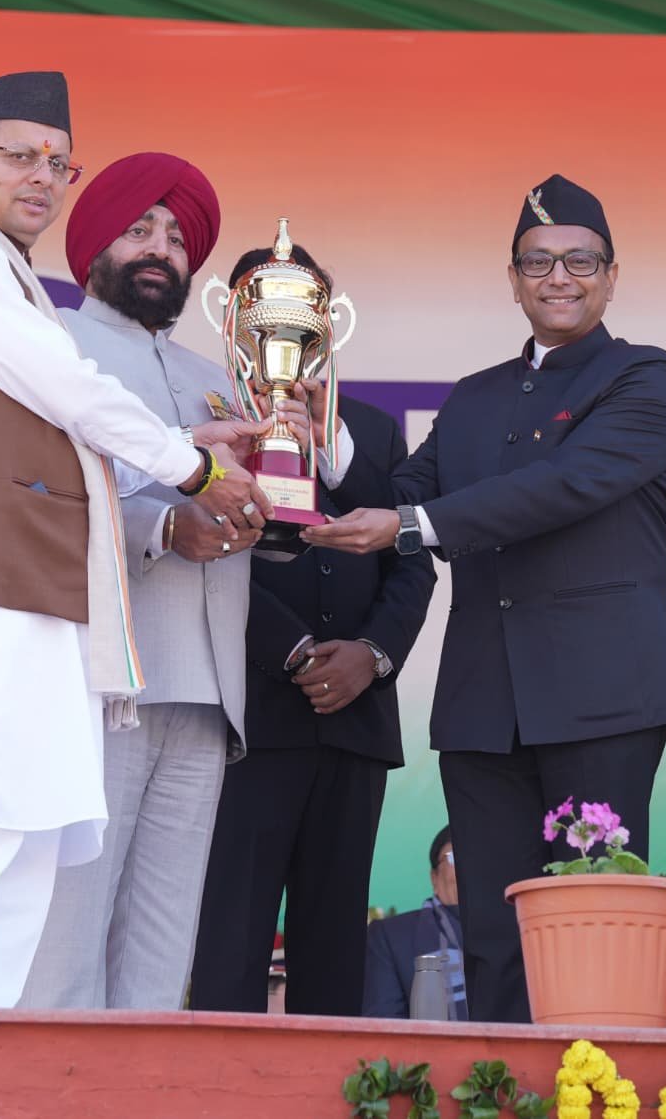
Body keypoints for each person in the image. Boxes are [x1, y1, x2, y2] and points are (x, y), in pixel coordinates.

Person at [0, 72, 269, 1008]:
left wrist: (188, 443)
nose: (41, 177)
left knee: (23, 847)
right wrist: (194, 468)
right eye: (19, 155)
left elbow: (66, 441)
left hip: (36, 602)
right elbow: (73, 391)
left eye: (58, 162)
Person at [302, 174, 666, 1023]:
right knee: (492, 933)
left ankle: (597, 1088)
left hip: (601, 701)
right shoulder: (474, 395)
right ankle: (508, 1084)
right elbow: (405, 488)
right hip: (486, 704)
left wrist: (411, 523)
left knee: (595, 921)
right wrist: (320, 441)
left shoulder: (643, 377)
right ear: (513, 278)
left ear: (612, 275)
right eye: (538, 261)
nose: (559, 277)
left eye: (579, 260)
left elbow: (562, 486)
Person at [19, 153, 286, 1010]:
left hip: (206, 696)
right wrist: (165, 526)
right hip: (101, 686)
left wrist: (267, 507)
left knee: (162, 954)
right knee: (69, 934)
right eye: (140, 229)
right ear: (96, 244)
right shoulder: (54, 349)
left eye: (175, 237)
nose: (161, 249)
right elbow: (35, 495)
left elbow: (254, 506)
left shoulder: (218, 380)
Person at [190, 244, 435, 1017]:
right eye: (265, 316)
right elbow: (203, 559)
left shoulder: (374, 432)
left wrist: (372, 654)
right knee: (231, 942)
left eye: (303, 315)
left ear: (328, 327)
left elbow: (412, 564)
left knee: (334, 952)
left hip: (355, 723)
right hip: (252, 720)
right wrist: (292, 650)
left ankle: (330, 1083)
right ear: (235, 324)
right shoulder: (207, 426)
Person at [362, 826, 466, 1020]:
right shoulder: (392, 936)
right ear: (434, 878)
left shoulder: (519, 931)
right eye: (456, 856)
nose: (471, 867)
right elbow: (384, 1026)